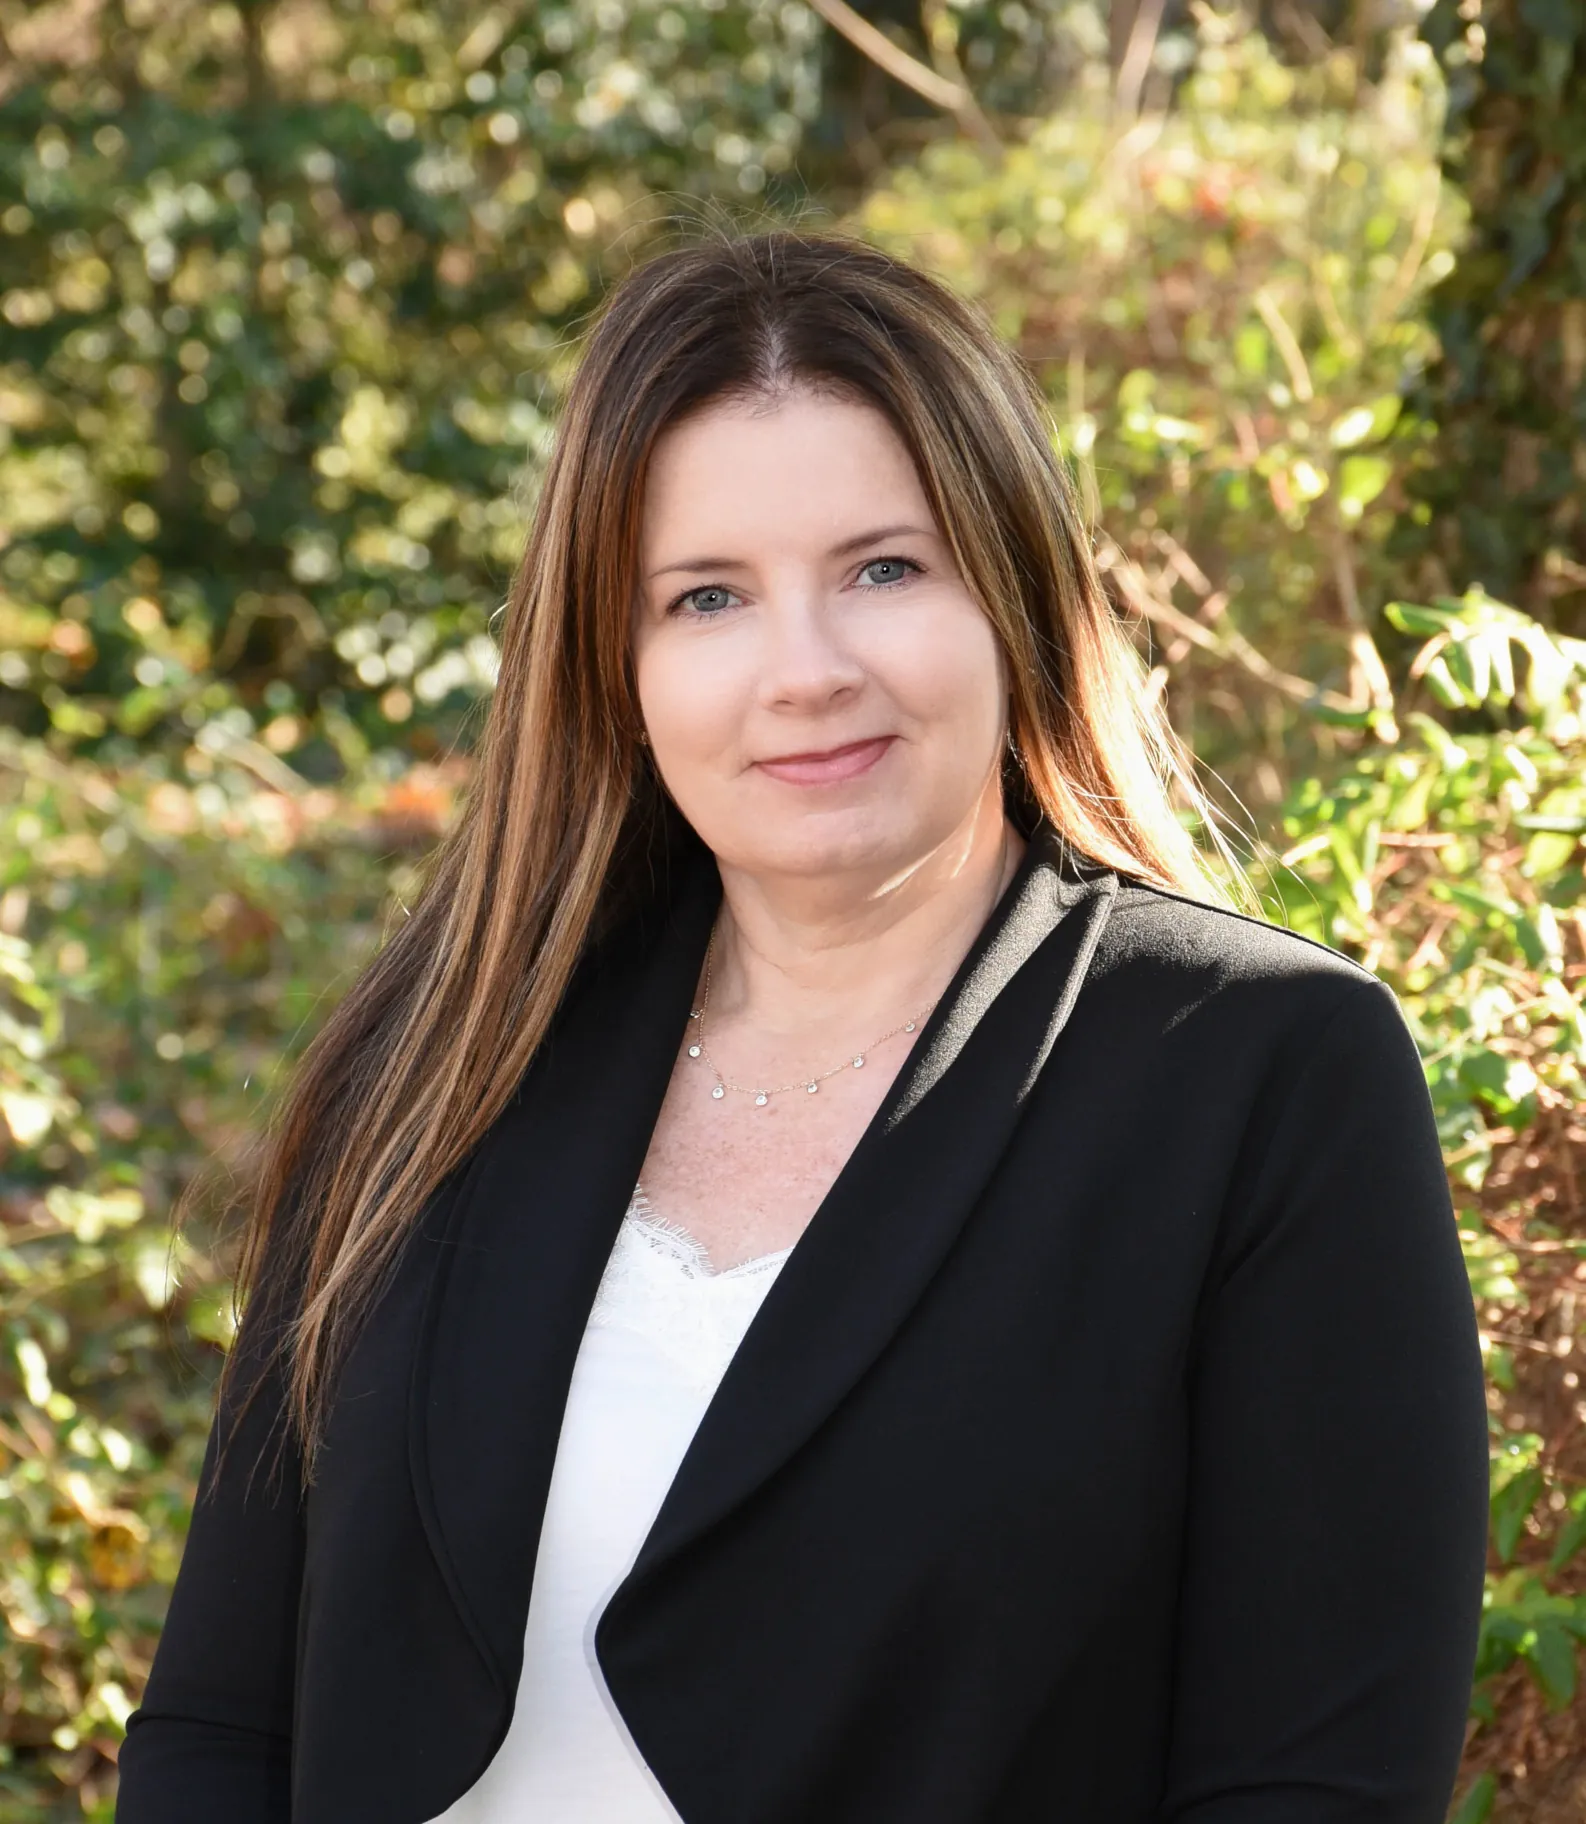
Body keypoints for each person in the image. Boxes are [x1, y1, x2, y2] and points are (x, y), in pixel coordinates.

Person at [115, 228, 1489, 1824]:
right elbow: (218, 1722)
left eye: (882, 570)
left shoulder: (1256, 1072)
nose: (803, 672)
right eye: (706, 598)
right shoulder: (434, 1064)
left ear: (1015, 592)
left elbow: (1313, 1784)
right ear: (613, 664)